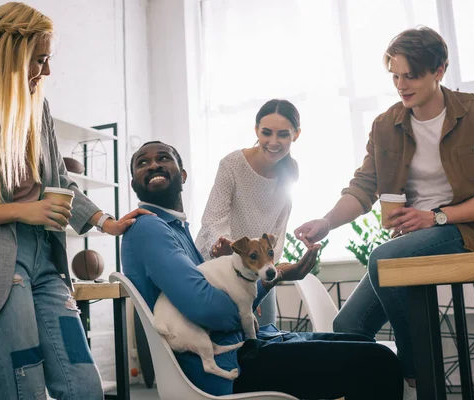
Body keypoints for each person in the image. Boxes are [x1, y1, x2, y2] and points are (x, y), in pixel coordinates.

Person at [0, 3, 150, 399]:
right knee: (26, 387)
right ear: (10, 54)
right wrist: (22, 210)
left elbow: (60, 182)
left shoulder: (38, 113)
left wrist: (106, 222)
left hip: (46, 263)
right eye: (40, 60)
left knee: (84, 385)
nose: (48, 71)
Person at [294, 26, 474, 396]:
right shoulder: (386, 126)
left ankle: (418, 369)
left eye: (411, 76)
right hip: (412, 241)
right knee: (348, 326)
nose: (401, 85)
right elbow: (364, 187)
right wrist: (327, 222)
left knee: (382, 258)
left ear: (439, 71)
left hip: (466, 233)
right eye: (395, 75)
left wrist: (437, 216)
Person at [122, 140, 404, 400]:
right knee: (378, 362)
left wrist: (277, 275)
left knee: (363, 343)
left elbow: (227, 301)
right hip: (226, 365)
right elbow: (207, 308)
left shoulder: (176, 229)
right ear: (134, 183)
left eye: (163, 158)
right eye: (142, 163)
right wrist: (247, 307)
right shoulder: (150, 228)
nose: (154, 165)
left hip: (242, 346)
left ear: (183, 175)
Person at [195, 99, 300, 327]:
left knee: (263, 338)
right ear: (256, 131)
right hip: (219, 264)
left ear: (296, 134)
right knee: (226, 337)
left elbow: (278, 229)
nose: (273, 142)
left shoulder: (290, 172)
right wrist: (235, 260)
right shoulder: (232, 164)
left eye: (283, 134)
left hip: (259, 269)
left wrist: (258, 277)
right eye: (266, 133)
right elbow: (213, 219)